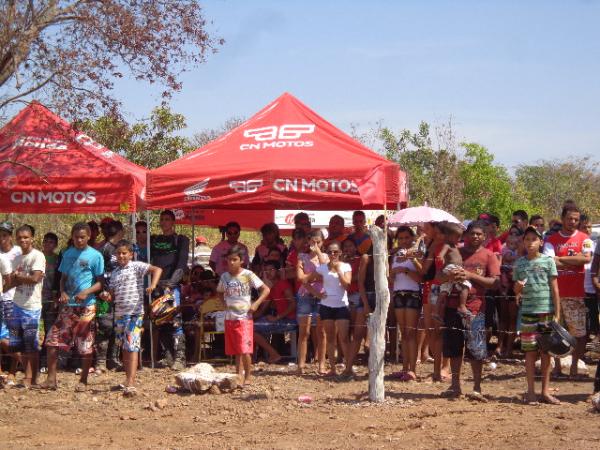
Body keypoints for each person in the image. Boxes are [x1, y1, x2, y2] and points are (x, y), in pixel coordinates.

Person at [441, 220, 500, 400]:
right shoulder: (455, 252)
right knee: (454, 349)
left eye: (479, 234)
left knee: (476, 349)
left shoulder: (489, 256)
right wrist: (448, 275)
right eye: (472, 233)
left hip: (476, 308)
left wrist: (471, 275)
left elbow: (496, 283)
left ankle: (477, 387)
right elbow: (438, 275)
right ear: (465, 235)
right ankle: (455, 386)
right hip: (451, 307)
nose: (475, 236)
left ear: (485, 236)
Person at [43, 222, 104, 391]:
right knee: (52, 339)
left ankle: (83, 381)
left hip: (87, 306)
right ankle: (51, 379)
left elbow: (101, 283)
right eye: (76, 237)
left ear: (89, 236)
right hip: (68, 306)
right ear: (72, 237)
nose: (79, 240)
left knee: (85, 344)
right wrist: (62, 292)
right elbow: (62, 278)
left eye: (82, 237)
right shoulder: (67, 253)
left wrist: (86, 292)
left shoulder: (96, 256)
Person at [100, 240, 162, 396]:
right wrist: (107, 296)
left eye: (124, 253)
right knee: (125, 347)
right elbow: (113, 294)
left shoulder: (136, 266)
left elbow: (157, 269)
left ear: (131, 254)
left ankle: (132, 382)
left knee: (132, 346)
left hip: (135, 313)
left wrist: (153, 285)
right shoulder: (115, 273)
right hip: (120, 314)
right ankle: (127, 379)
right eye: (119, 253)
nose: (121, 256)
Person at [543, 204, 593, 379]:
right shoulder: (551, 240)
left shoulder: (585, 239)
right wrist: (573, 260)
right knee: (555, 331)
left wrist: (561, 258)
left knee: (579, 333)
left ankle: (573, 368)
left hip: (576, 293)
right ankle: (557, 368)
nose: (572, 222)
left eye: (576, 219)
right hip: (554, 294)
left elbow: (585, 259)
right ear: (563, 218)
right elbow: (550, 262)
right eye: (570, 218)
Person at [513, 226, 561, 405]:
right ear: (523, 242)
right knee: (530, 352)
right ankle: (531, 392)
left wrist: (557, 314)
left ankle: (545, 392)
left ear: (541, 242)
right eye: (527, 239)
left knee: (546, 352)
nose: (530, 242)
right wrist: (518, 287)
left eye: (534, 239)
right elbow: (515, 290)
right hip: (528, 314)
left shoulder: (548, 261)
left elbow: (555, 289)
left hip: (546, 313)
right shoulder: (520, 264)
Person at [217, 245, 270, 385]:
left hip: (244, 318)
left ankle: (248, 377)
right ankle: (237, 375)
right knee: (236, 350)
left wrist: (256, 304)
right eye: (229, 260)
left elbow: (266, 290)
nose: (231, 262)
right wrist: (223, 304)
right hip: (230, 317)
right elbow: (219, 292)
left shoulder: (248, 275)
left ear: (242, 260)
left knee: (245, 349)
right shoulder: (224, 277)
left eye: (234, 259)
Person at [150, 209, 190, 370]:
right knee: (160, 321)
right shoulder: (154, 239)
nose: (164, 222)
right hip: (155, 285)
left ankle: (180, 358)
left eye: (167, 219)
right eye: (162, 219)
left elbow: (181, 264)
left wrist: (171, 284)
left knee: (175, 321)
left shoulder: (181, 239)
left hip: (171, 285)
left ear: (173, 222)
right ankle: (168, 356)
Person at [6, 225, 45, 388]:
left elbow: (35, 278)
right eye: (20, 237)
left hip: (31, 307)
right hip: (16, 305)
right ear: (16, 239)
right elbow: (10, 283)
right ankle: (26, 375)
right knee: (17, 342)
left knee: (31, 343)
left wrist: (19, 276)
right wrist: (12, 279)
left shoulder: (38, 256)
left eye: (26, 237)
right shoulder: (16, 259)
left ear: (32, 238)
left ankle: (32, 378)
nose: (23, 240)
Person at [314, 241, 352, 378]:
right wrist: (317, 293)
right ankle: (332, 368)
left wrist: (338, 271)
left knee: (344, 338)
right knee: (330, 338)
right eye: (330, 252)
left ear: (340, 253)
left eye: (335, 252)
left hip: (341, 305)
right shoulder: (323, 268)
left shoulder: (346, 266)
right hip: (326, 306)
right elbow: (305, 280)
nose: (332, 254)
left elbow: (347, 285)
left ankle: (348, 368)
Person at [389, 226, 422, 381]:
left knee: (411, 332)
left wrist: (407, 268)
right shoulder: (394, 255)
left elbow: (421, 276)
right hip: (397, 293)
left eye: (406, 238)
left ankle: (412, 369)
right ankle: (404, 367)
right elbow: (390, 278)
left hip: (412, 293)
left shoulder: (417, 255)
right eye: (400, 238)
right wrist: (393, 273)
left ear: (412, 238)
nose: (403, 241)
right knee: (403, 332)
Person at [296, 230, 328, 374]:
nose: (315, 244)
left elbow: (325, 270)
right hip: (306, 295)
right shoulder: (302, 256)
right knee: (304, 332)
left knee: (321, 331)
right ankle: (301, 365)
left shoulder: (326, 256)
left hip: (322, 296)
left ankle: (322, 364)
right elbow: (300, 278)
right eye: (312, 241)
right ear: (308, 241)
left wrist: (319, 252)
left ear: (323, 242)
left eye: (318, 242)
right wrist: (315, 276)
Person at [253, 260, 297, 363]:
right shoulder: (271, 287)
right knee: (251, 325)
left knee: (251, 329)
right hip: (281, 319)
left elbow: (293, 304)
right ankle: (262, 355)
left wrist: (277, 317)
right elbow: (263, 309)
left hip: (290, 321)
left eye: (271, 269)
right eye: (266, 270)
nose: (268, 272)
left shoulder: (283, 284)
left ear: (278, 271)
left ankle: (274, 354)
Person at [96, 220, 124, 372]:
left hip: (119, 295)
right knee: (104, 326)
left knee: (117, 327)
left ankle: (113, 358)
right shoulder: (104, 249)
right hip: (104, 295)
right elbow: (99, 273)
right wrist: (101, 291)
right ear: (119, 231)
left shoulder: (120, 248)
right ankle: (100, 361)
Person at [0, 221, 22, 384]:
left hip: (13, 299)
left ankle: (15, 370)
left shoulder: (18, 252)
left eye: (5, 235)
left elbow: (21, 276)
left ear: (10, 236)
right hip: (2, 298)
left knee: (12, 336)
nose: (2, 239)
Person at [436, 222, 472, 319]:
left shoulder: (455, 246)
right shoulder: (447, 245)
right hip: (452, 268)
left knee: (445, 290)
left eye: (460, 237)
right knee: (466, 285)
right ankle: (462, 305)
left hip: (452, 268)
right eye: (457, 237)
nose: (459, 239)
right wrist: (441, 257)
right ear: (449, 236)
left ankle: (436, 311)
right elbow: (441, 254)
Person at [40, 232, 59, 371]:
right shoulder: (37, 256)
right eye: (46, 241)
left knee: (49, 331)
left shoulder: (58, 260)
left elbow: (59, 280)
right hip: (35, 299)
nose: (48, 244)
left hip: (51, 300)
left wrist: (55, 299)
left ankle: (45, 362)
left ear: (56, 245)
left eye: (51, 242)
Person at [580, 215, 598, 340]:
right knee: (583, 317)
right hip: (581, 286)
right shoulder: (578, 242)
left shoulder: (594, 243)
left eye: (589, 227)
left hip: (593, 286)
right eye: (584, 227)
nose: (587, 229)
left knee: (593, 314)